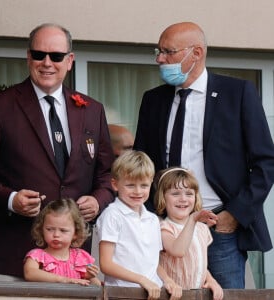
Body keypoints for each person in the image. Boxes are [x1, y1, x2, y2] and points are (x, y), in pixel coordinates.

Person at [133, 21, 274, 288]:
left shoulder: (238, 93)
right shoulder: (153, 99)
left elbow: (265, 162)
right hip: (165, 229)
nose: (159, 58)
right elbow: (143, 162)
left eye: (168, 52)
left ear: (196, 53)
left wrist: (235, 213)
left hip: (218, 227)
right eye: (158, 51)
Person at [0, 23, 114, 280]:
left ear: (70, 61)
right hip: (11, 255)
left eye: (56, 56)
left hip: (73, 267)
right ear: (29, 57)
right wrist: (10, 199)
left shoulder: (92, 110)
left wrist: (98, 199)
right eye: (39, 55)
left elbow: (106, 174)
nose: (47, 63)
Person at [96, 150, 182, 300]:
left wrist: (167, 280)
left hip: (152, 293)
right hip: (122, 294)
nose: (138, 191)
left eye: (144, 185)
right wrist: (142, 280)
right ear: (115, 184)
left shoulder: (153, 219)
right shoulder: (112, 215)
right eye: (130, 185)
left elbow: (151, 262)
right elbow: (106, 264)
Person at [154, 167, 223, 300]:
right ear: (163, 197)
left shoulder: (201, 229)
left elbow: (199, 261)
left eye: (189, 194)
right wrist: (192, 220)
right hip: (171, 295)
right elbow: (178, 251)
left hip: (196, 296)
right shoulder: (164, 228)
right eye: (175, 194)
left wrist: (211, 280)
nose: (183, 199)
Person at [24, 198, 101, 286]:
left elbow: (96, 287)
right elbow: (29, 273)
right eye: (50, 229)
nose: (56, 234)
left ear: (75, 233)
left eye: (63, 230)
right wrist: (64, 280)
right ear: (41, 229)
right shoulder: (37, 255)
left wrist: (90, 277)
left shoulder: (80, 257)